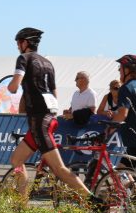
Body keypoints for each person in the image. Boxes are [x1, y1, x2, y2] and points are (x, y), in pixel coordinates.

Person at [6, 28, 96, 203]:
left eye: (19, 42)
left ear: (27, 43)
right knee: (16, 160)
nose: (17, 46)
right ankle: (21, 205)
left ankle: (93, 201)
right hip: (48, 119)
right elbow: (54, 95)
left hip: (39, 122)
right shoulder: (48, 63)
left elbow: (13, 86)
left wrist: (13, 86)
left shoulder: (23, 59)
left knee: (60, 169)